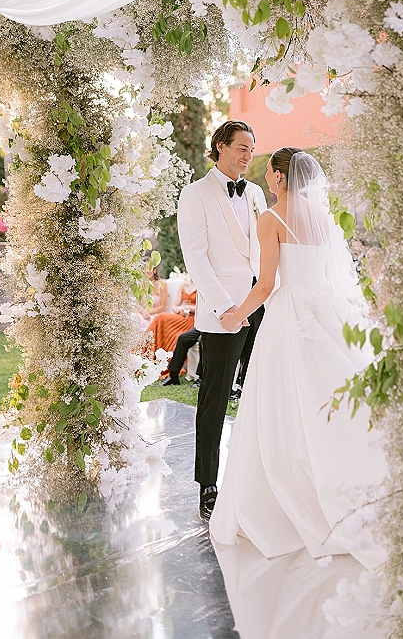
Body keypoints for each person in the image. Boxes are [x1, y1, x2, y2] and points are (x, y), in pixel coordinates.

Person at [210, 149, 387, 568]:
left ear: (281, 179)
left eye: (270, 173)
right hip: (326, 312)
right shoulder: (323, 216)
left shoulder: (271, 219)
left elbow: (268, 283)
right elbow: (330, 274)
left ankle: (290, 503)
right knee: (331, 397)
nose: (266, 178)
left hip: (290, 315)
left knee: (284, 406)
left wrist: (237, 312)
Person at [177, 120, 267, 520]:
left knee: (262, 393)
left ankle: (256, 480)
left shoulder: (257, 194)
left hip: (262, 306)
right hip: (224, 313)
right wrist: (225, 307)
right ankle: (208, 485)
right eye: (242, 148)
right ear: (220, 147)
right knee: (214, 399)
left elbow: (263, 251)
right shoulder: (195, 194)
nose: (248, 156)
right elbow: (196, 257)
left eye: (251, 149)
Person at [147, 273, 197, 355]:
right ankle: (148, 351)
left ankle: (167, 359)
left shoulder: (202, 287)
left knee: (174, 334)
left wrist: (187, 307)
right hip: (182, 316)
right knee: (160, 318)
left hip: (193, 319)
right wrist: (178, 310)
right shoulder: (184, 285)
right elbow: (175, 306)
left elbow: (203, 308)